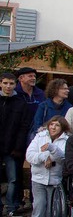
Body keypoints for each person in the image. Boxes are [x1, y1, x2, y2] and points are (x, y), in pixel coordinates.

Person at [25, 116, 69, 217]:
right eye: (51, 124)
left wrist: (52, 148)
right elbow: (29, 155)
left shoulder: (66, 140)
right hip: (38, 179)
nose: (53, 127)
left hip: (55, 180)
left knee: (51, 211)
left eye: (57, 125)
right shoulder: (40, 136)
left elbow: (63, 158)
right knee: (39, 208)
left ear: (62, 128)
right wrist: (45, 157)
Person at [0, 73, 31, 216]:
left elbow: (24, 127)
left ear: (15, 85)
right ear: (1, 83)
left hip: (12, 148)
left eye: (11, 84)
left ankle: (11, 206)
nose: (8, 86)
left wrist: (18, 147)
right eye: (5, 83)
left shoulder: (20, 102)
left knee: (13, 179)